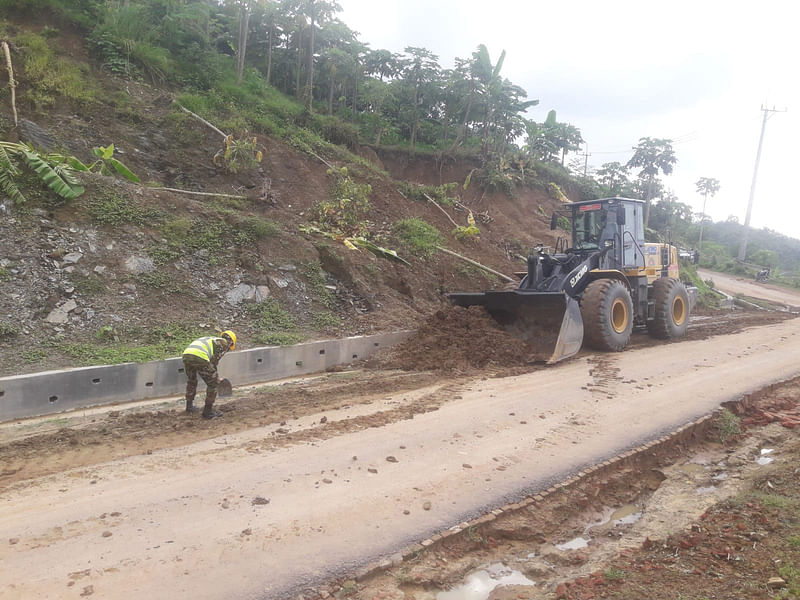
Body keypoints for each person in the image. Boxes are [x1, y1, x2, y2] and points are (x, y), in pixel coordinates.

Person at [181, 330, 237, 419]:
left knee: (192, 380)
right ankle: (208, 412)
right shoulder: (224, 344)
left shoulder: (212, 339)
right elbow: (213, 363)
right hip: (199, 356)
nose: (229, 349)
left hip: (187, 355)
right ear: (231, 342)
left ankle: (189, 406)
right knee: (213, 384)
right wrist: (216, 378)